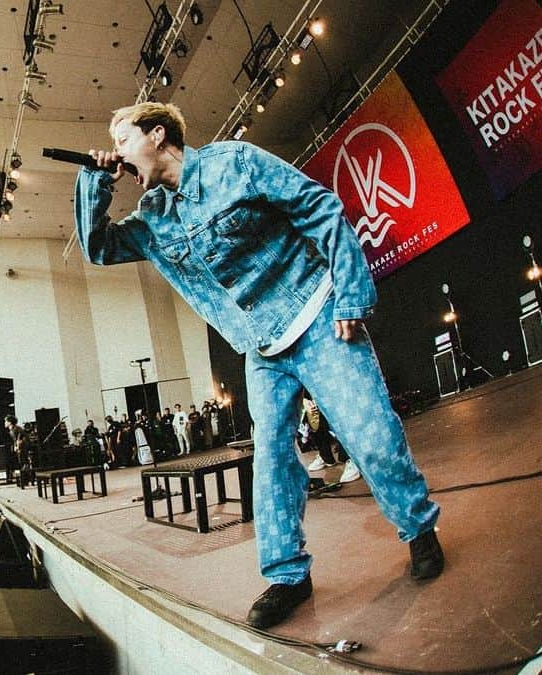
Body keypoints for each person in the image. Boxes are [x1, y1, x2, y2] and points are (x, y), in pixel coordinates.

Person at [75, 101, 442, 630]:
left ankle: (419, 530)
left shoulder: (234, 163)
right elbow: (98, 248)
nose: (117, 150)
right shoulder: (152, 219)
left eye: (123, 138)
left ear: (158, 135)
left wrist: (352, 293)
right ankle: (289, 574)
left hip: (315, 312)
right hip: (261, 346)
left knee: (370, 431)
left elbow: (319, 207)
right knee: (271, 459)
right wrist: (95, 181)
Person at [4, 415, 30, 488]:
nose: (5, 423)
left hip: (22, 448)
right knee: (21, 463)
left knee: (23, 463)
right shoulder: (13, 429)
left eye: (6, 421)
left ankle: (25, 480)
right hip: (19, 448)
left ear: (10, 422)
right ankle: (23, 480)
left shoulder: (16, 429)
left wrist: (18, 446)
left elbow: (22, 438)